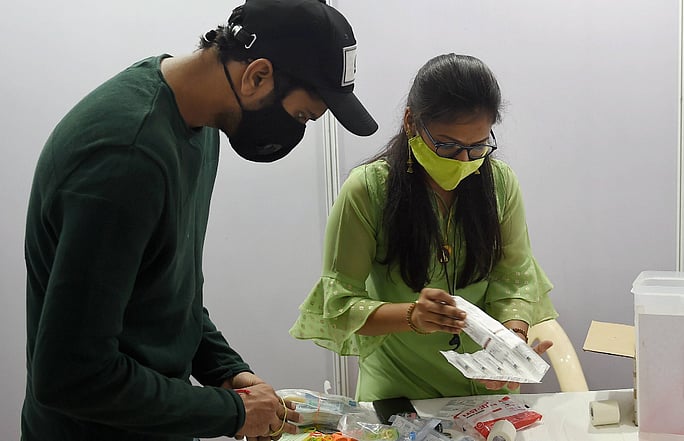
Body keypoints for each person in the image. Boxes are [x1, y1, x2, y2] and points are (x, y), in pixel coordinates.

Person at [21, 0, 376, 440]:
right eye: (302, 115)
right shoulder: (127, 157)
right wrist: (232, 413)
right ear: (257, 76)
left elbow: (167, 290)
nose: (297, 130)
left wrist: (225, 371)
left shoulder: (199, 123)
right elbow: (70, 375)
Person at [290, 53, 556, 401]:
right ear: (410, 122)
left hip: (488, 388)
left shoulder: (500, 184)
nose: (464, 160)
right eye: (448, 146)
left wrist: (512, 343)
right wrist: (413, 315)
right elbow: (339, 307)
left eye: (477, 147)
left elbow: (514, 279)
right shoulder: (368, 191)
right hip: (400, 390)